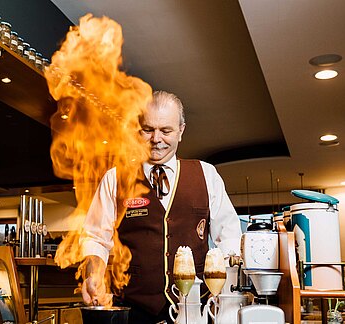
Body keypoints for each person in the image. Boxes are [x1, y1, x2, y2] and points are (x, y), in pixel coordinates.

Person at [80, 90, 242, 323]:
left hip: (195, 308)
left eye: (166, 130)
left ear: (181, 131)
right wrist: (92, 274)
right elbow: (95, 238)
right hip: (132, 308)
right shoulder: (115, 179)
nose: (156, 139)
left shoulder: (206, 175)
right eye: (148, 130)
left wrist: (226, 295)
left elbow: (229, 239)